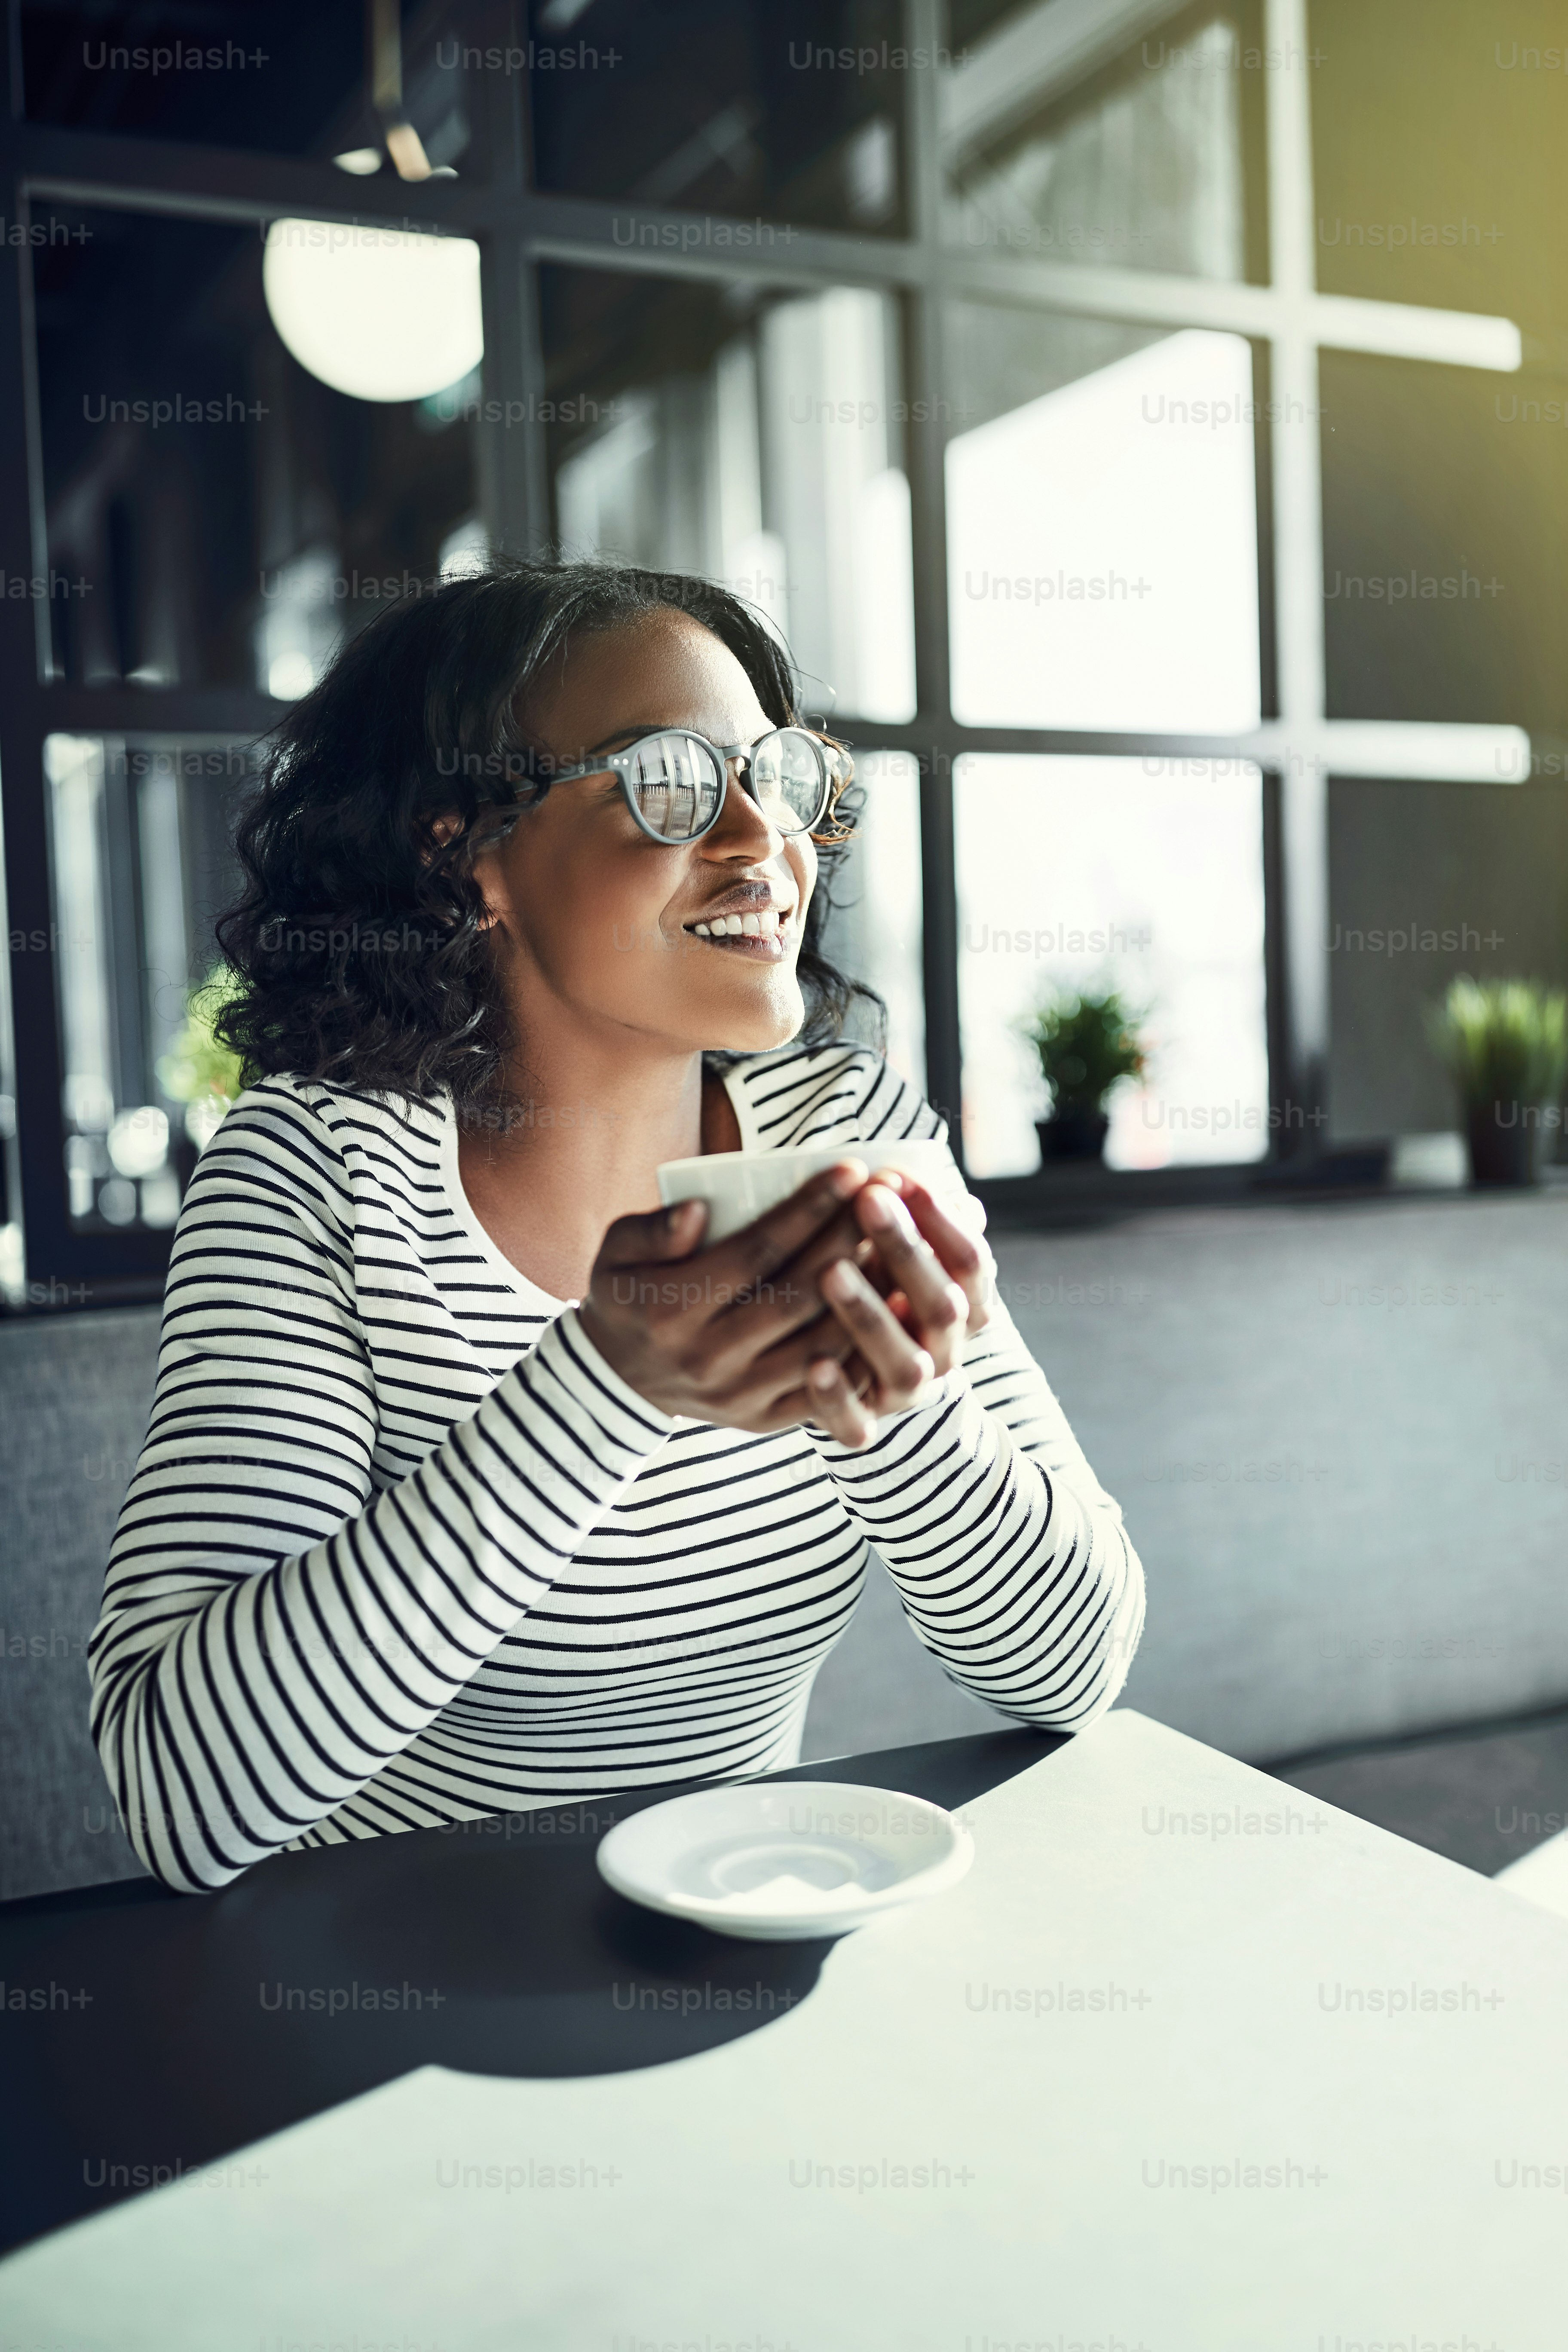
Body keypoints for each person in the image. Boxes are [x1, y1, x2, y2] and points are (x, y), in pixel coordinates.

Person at [89, 558, 1144, 1893]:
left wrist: (898, 1398)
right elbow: (182, 1796)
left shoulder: (850, 1131)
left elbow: (1077, 1671)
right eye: (671, 783)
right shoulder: (324, 1175)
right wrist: (601, 1386)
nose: (765, 842)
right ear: (467, 851)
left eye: (779, 777)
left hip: (744, 1947)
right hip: (390, 1992)